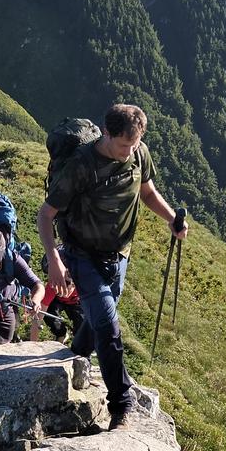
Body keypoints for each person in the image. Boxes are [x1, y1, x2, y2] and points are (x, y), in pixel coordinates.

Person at [37, 103, 188, 430]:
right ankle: (122, 404)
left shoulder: (138, 153)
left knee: (97, 323)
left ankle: (77, 352)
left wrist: (171, 220)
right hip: (82, 254)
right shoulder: (81, 166)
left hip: (119, 254)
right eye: (123, 144)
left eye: (134, 144)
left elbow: (147, 193)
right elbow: (46, 214)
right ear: (106, 133)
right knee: (108, 323)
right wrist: (54, 259)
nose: (128, 151)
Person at [28, 255, 83, 343]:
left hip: (77, 301)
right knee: (49, 314)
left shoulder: (84, 285)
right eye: (58, 291)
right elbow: (38, 318)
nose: (61, 293)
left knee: (82, 323)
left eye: (64, 291)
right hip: (56, 301)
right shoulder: (53, 286)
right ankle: (61, 334)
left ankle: (80, 342)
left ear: (73, 285)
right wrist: (32, 344)